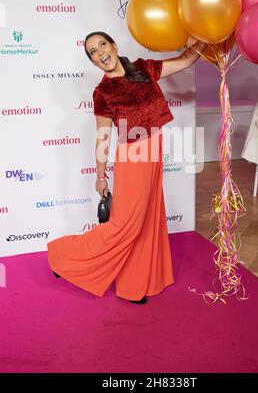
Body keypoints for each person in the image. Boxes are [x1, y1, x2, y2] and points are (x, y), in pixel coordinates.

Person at [47, 31, 205, 304]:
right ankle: (62, 254)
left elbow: (187, 60)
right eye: (93, 52)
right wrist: (100, 176)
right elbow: (103, 137)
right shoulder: (103, 92)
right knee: (125, 225)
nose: (100, 53)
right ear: (93, 62)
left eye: (102, 45)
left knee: (148, 220)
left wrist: (208, 35)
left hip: (155, 146)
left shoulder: (143, 68)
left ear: (114, 45)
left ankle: (137, 282)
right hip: (132, 156)